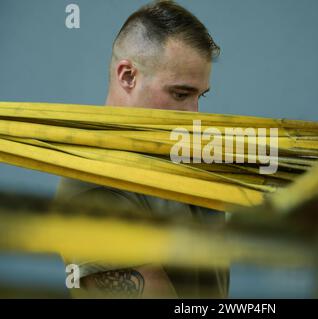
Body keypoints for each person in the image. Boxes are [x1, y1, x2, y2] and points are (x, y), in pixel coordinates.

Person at [54, 0, 228, 298]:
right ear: (127, 76)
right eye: (180, 94)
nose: (194, 114)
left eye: (200, 96)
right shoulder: (95, 184)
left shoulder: (181, 160)